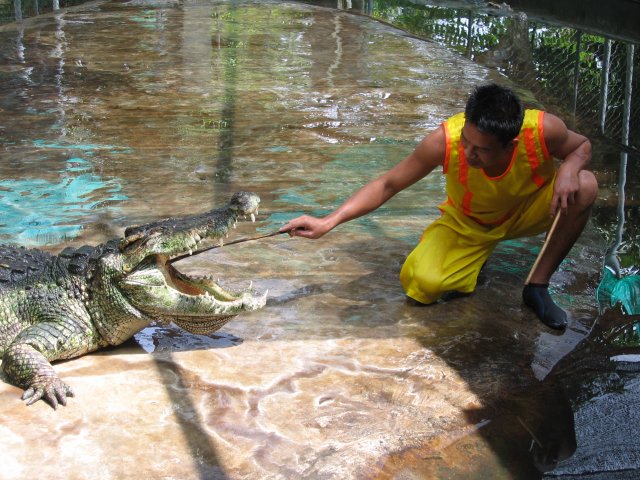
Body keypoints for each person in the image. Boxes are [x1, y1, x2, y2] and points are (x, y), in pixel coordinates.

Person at [280, 83, 598, 330]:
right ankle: (472, 260)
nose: (470, 154)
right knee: (421, 283)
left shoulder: (543, 129)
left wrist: (569, 170)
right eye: (467, 143)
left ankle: (537, 285)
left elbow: (581, 145)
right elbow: (388, 184)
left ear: (510, 145)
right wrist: (328, 222)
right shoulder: (444, 140)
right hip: (469, 224)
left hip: (528, 212)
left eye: (482, 150)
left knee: (586, 185)